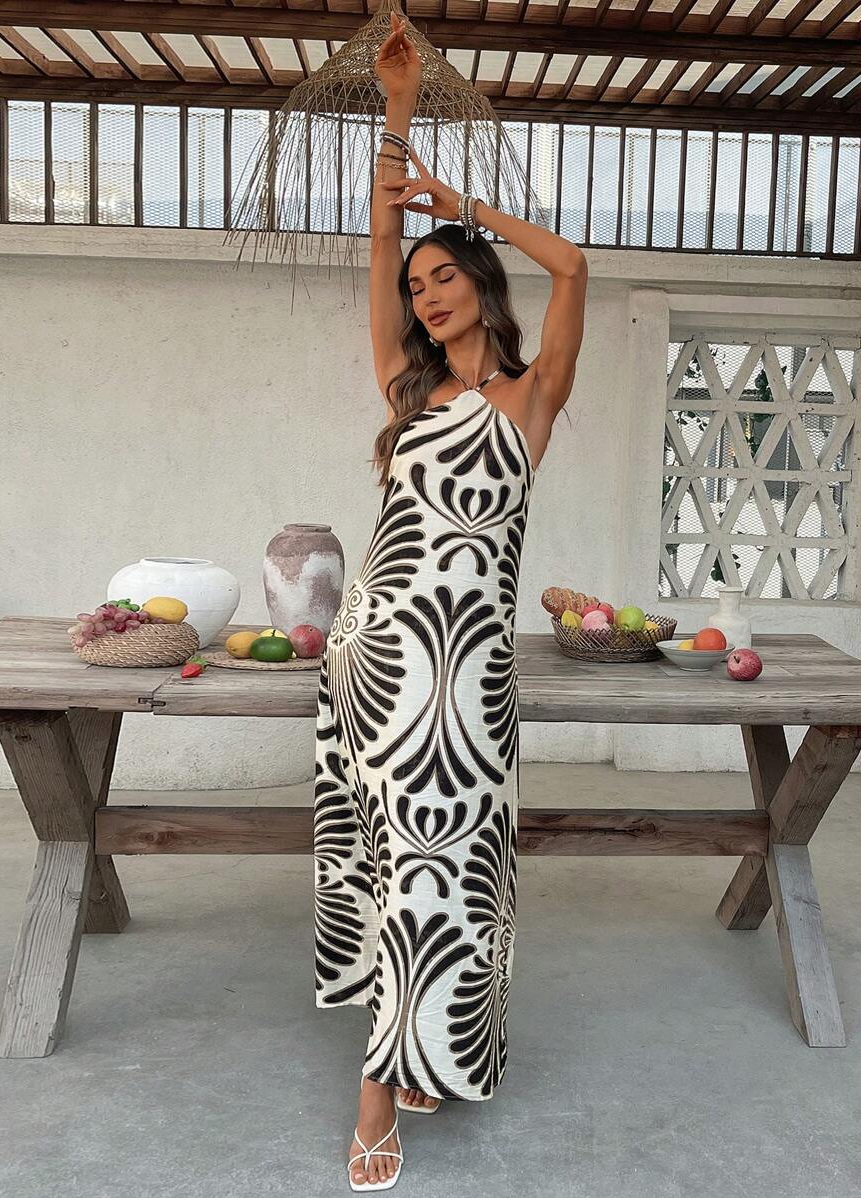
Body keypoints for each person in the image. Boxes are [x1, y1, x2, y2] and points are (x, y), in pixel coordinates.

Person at [313, 11, 588, 1190]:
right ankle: (374, 1096)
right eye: (416, 285)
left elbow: (573, 267)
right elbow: (379, 238)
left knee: (456, 875)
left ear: (480, 284)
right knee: (398, 873)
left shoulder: (530, 398)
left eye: (443, 277)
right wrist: (398, 106)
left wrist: (462, 205)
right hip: (380, 661)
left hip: (472, 681)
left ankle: (428, 1046)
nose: (424, 295)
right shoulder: (405, 388)